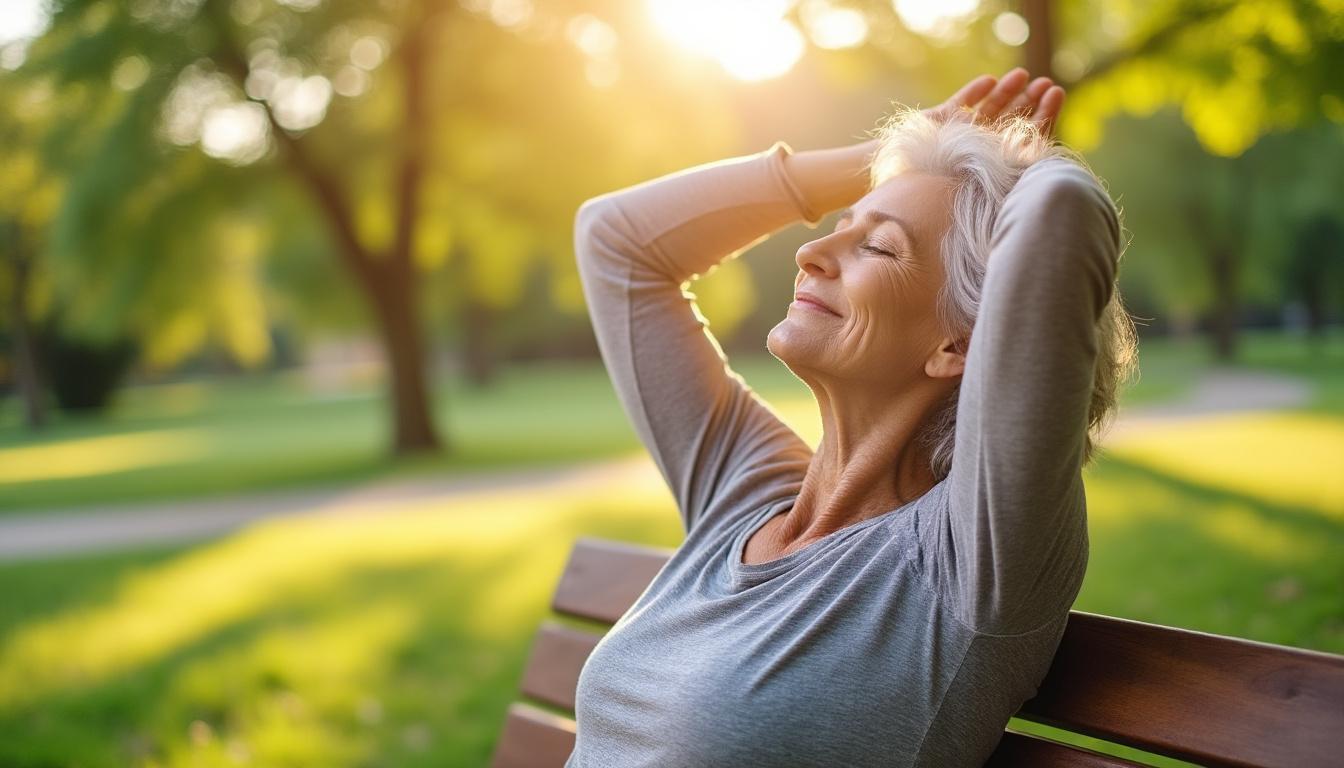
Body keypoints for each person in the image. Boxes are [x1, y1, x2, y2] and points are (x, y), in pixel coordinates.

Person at [566, 68, 1137, 767]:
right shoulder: (743, 492)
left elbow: (1061, 216)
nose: (808, 253)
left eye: (877, 247)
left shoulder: (967, 561)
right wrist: (886, 159)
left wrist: (994, 156)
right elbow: (616, 240)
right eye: (840, 229)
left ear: (960, 343)